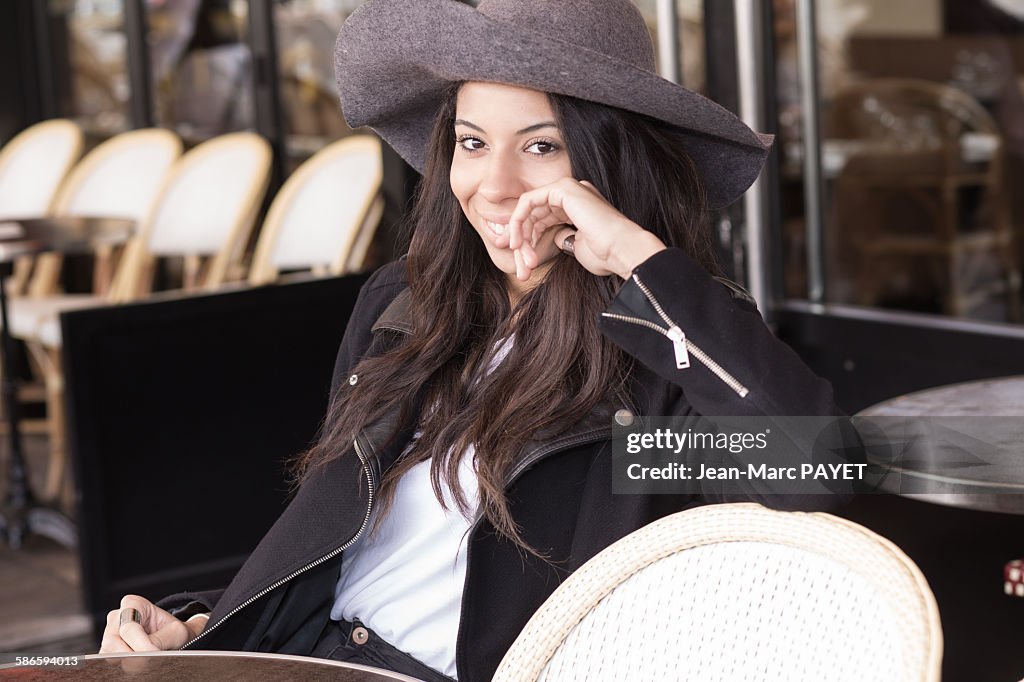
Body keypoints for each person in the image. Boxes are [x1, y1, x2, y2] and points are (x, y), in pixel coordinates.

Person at [98, 0, 851, 680]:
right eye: (471, 141)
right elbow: (339, 544)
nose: (493, 185)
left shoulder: (662, 365)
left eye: (542, 146)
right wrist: (204, 624)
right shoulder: (404, 304)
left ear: (612, 161)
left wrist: (637, 262)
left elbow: (814, 467)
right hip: (312, 660)